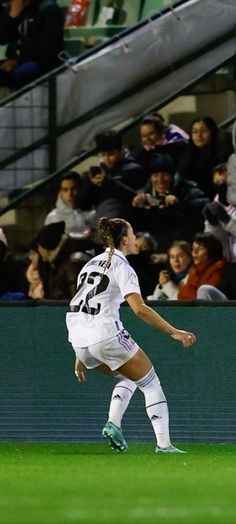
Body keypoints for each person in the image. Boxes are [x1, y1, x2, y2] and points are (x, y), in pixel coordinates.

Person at [66, 217, 196, 453]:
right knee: (150, 383)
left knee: (129, 377)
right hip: (104, 335)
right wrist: (173, 332)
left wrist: (80, 353)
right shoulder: (122, 266)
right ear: (125, 239)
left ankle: (114, 423)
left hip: (80, 340)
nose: (136, 238)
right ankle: (164, 445)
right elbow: (138, 308)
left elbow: (82, 307)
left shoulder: (89, 265)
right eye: (133, 233)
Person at [131, 154, 209, 251]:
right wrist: (135, 208)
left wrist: (179, 204)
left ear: (173, 176)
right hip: (153, 248)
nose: (160, 180)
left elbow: (203, 210)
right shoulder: (143, 196)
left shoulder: (188, 190)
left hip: (183, 248)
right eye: (155, 175)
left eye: (165, 175)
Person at [0, 0, 64, 90]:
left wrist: (17, 62)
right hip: (15, 60)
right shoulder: (16, 7)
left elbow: (49, 50)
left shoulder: (50, 9)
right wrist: (12, 16)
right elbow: (3, 39)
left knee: (19, 74)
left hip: (40, 63)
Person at [35, 220, 97, 299]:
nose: (39, 250)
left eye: (39, 246)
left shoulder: (74, 263)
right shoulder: (59, 262)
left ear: (47, 246)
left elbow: (77, 301)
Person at [179, 116, 233, 199]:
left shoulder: (224, 154)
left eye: (204, 131)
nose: (199, 135)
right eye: (195, 132)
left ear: (213, 132)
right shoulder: (187, 156)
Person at [178, 232, 227, 301]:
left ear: (211, 251)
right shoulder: (193, 270)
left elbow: (203, 296)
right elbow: (181, 296)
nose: (194, 252)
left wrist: (184, 288)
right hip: (195, 308)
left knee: (204, 289)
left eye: (200, 248)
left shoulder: (219, 268)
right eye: (193, 248)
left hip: (222, 309)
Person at [44, 172, 95, 237]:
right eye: (65, 190)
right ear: (60, 193)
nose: (70, 194)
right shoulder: (52, 217)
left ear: (81, 190)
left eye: (74, 189)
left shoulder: (93, 214)